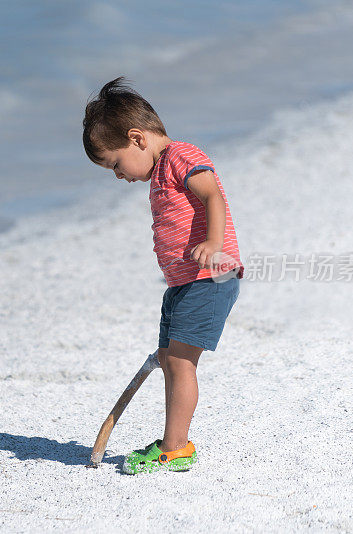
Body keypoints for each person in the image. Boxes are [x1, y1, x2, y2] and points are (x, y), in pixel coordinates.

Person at [82, 77, 244, 475]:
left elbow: (212, 195)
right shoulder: (158, 173)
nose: (118, 175)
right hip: (183, 283)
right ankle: (173, 442)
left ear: (137, 139)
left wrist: (214, 243)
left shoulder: (180, 156)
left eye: (115, 164)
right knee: (172, 360)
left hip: (209, 278)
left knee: (182, 364)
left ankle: (176, 448)